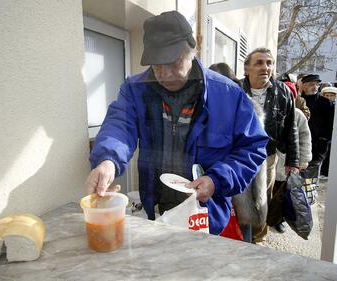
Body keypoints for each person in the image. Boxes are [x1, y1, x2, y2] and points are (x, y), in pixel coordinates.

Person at [84, 11, 269, 235]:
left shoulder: (228, 94)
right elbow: (120, 126)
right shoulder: (135, 89)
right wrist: (107, 161)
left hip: (205, 216)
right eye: (156, 64)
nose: (165, 73)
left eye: (173, 62)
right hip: (156, 210)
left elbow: (252, 148)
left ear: (194, 48)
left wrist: (217, 179)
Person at [241, 47, 299, 244]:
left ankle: (257, 240)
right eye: (259, 63)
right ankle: (238, 236)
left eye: (269, 63)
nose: (265, 67)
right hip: (238, 156)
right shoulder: (234, 90)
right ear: (246, 69)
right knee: (237, 197)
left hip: (267, 156)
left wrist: (294, 160)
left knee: (261, 200)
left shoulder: (283, 92)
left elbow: (291, 127)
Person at [210, 62, 267, 243]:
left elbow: (253, 153)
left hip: (242, 185)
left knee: (242, 235)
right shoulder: (205, 107)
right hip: (214, 183)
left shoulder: (248, 108)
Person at [274, 107, 312, 232]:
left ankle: (279, 220)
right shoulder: (268, 109)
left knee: (284, 194)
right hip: (269, 161)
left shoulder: (297, 114)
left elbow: (305, 138)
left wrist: (303, 160)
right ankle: (268, 218)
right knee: (268, 192)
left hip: (288, 161)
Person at [300, 74, 334, 178]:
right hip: (300, 144)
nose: (315, 87)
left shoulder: (326, 103)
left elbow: (331, 124)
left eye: (317, 85)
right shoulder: (298, 101)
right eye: (311, 84)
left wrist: (324, 139)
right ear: (304, 86)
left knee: (311, 179)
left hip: (317, 146)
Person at [319, 86, 337, 178]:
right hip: (324, 134)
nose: (329, 97)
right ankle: (323, 172)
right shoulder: (320, 105)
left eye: (331, 95)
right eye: (327, 95)